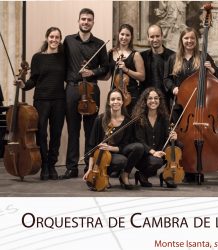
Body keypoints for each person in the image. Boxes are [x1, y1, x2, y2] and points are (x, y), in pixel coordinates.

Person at [61, 8, 109, 179]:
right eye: (83, 19)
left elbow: (106, 67)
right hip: (73, 89)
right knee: (73, 129)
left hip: (91, 90)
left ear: (93, 22)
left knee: (91, 130)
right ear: (78, 21)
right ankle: (71, 167)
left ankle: (89, 165)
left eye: (89, 19)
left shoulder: (100, 44)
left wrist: (93, 72)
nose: (86, 22)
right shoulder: (67, 41)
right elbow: (60, 63)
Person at [14, 27, 66, 180]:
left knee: (56, 134)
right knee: (41, 134)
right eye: (51, 37)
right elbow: (33, 80)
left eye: (57, 37)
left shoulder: (64, 57)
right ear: (47, 37)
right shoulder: (37, 58)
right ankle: (44, 166)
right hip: (41, 100)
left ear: (60, 39)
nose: (54, 40)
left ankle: (52, 165)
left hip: (59, 100)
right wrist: (23, 85)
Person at [83, 89, 138, 190]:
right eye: (113, 99)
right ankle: (101, 175)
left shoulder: (127, 122)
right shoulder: (100, 119)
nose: (115, 102)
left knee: (122, 160)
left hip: (116, 153)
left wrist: (109, 148)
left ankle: (112, 175)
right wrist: (90, 169)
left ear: (122, 102)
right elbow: (92, 146)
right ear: (109, 102)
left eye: (118, 99)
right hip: (99, 157)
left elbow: (125, 145)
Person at [165, 27, 218, 123]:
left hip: (199, 102)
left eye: (192, 38)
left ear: (196, 40)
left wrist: (211, 69)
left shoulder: (204, 56)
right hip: (179, 103)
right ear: (181, 40)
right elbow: (167, 79)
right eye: (186, 38)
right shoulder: (173, 58)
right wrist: (173, 88)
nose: (189, 41)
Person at [129, 87, 180, 188]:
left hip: (159, 152)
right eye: (150, 98)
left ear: (159, 100)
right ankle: (142, 174)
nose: (153, 101)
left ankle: (166, 175)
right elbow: (139, 140)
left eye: (156, 98)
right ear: (145, 101)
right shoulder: (139, 118)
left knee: (178, 146)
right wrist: (153, 152)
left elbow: (167, 136)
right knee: (157, 161)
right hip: (144, 156)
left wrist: (173, 137)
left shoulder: (164, 117)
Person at [108, 24, 145, 115]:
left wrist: (125, 69)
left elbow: (142, 77)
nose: (124, 37)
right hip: (115, 94)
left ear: (131, 37)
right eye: (122, 34)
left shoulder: (135, 55)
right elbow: (107, 75)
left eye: (127, 35)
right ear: (118, 34)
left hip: (131, 94)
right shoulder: (111, 53)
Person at [140, 24, 175, 110]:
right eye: (152, 37)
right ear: (148, 38)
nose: (155, 39)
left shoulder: (173, 56)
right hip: (147, 102)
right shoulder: (142, 56)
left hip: (167, 103)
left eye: (157, 36)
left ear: (162, 36)